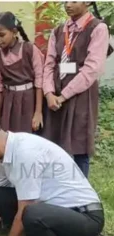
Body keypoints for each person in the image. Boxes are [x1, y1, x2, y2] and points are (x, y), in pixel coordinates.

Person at [42, 2, 109, 178]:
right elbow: (49, 63)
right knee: (52, 144)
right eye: (66, 1)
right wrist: (49, 93)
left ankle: (80, 197)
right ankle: (55, 191)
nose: (68, 5)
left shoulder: (97, 28)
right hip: (55, 93)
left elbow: (91, 69)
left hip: (80, 94)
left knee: (79, 146)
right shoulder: (59, 30)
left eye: (74, 0)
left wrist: (63, 96)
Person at [0, 12, 44, 133]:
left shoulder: (29, 49)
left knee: (28, 136)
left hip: (29, 100)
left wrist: (38, 112)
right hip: (9, 101)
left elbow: (39, 81)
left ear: (14, 32)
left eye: (1, 35)